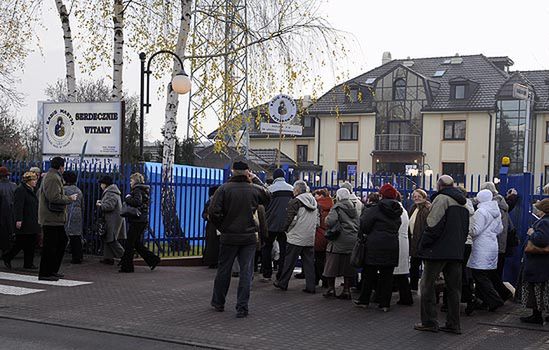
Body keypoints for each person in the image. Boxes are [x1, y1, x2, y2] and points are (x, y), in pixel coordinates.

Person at [209, 161, 270, 318]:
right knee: (246, 271)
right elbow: (268, 196)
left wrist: (223, 227)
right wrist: (256, 179)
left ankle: (218, 302)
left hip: (228, 236)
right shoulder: (254, 190)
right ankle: (242, 307)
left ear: (232, 171)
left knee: (224, 270)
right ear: (248, 172)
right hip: (248, 237)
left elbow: (213, 212)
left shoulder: (223, 189)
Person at [414, 175, 469, 335]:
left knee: (427, 286)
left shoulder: (442, 199)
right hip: (456, 252)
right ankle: (453, 324)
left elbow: (433, 224)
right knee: (454, 289)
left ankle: (430, 322)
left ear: (439, 186)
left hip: (437, 251)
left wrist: (423, 244)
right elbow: (465, 229)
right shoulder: (463, 203)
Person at [354, 183, 402, 312]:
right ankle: (385, 303)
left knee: (369, 274)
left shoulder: (374, 209)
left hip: (374, 245)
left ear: (381, 195)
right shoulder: (398, 210)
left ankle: (364, 300)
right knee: (387, 276)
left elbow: (364, 225)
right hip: (392, 244)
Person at [273, 180, 318, 293]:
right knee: (309, 264)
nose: (293, 191)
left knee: (289, 262)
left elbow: (290, 219)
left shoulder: (295, 202)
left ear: (297, 190)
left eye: (294, 189)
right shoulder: (314, 201)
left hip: (296, 237)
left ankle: (282, 283)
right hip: (309, 237)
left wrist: (285, 230)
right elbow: (317, 221)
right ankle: (311, 286)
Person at [38, 157, 78, 281]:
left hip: (55, 218)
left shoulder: (52, 176)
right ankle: (45, 273)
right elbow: (54, 197)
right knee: (50, 246)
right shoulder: (52, 178)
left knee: (60, 242)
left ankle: (52, 270)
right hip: (51, 217)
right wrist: (69, 199)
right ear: (61, 167)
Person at [467, 189, 504, 312]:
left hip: (481, 246)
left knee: (479, 275)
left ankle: (494, 300)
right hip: (492, 244)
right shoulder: (496, 211)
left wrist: (467, 230)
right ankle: (484, 301)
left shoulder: (481, 212)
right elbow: (500, 229)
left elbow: (475, 230)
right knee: (484, 274)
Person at [119, 172, 160, 273]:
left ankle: (127, 267)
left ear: (135, 181)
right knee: (136, 243)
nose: (130, 182)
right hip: (141, 220)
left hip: (137, 220)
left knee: (129, 243)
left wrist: (128, 198)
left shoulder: (137, 190)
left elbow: (137, 202)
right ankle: (153, 259)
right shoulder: (144, 190)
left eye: (131, 180)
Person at [322, 188, 359, 299]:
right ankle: (346, 290)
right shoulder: (353, 208)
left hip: (338, 239)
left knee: (331, 265)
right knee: (347, 266)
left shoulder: (337, 207)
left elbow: (330, 222)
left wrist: (327, 218)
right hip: (351, 239)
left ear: (338, 197)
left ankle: (331, 289)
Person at [520, 198, 549, 324]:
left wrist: (532, 233)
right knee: (543, 289)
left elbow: (541, 240)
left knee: (537, 288)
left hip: (538, 262)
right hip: (543, 263)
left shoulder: (543, 222)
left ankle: (536, 315)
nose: (536, 210)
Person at [2, 172, 40, 269]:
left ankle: (28, 263)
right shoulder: (21, 190)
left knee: (30, 242)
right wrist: (19, 219)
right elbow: (18, 206)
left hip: (31, 220)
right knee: (21, 242)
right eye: (34, 180)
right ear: (28, 181)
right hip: (25, 220)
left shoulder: (30, 189)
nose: (36, 181)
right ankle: (8, 257)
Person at [262, 168, 293, 282]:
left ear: (274, 177)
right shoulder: (292, 189)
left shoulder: (269, 189)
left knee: (267, 247)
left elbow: (263, 206)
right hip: (286, 224)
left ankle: (267, 273)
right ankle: (281, 274)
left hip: (270, 223)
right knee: (284, 249)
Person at [97, 175, 126, 266]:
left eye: (101, 183)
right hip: (113, 219)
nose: (100, 185)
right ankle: (108, 258)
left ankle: (125, 257)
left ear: (105, 184)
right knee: (107, 238)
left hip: (112, 220)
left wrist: (100, 205)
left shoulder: (110, 192)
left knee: (111, 240)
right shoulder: (112, 191)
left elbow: (109, 206)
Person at [408, 189, 430, 291]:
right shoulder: (413, 208)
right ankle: (413, 286)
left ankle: (426, 287)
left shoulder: (426, 209)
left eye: (419, 196)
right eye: (415, 196)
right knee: (414, 265)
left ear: (424, 197)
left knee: (427, 267)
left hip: (423, 241)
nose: (416, 198)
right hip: (414, 240)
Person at [394, 192, 413, 306]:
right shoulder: (403, 210)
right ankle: (405, 297)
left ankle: (406, 298)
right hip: (402, 242)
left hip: (398, 243)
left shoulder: (397, 210)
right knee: (401, 274)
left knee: (400, 274)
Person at [313, 188, 333, 287]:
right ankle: (326, 281)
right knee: (327, 260)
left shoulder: (316, 205)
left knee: (318, 258)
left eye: (316, 195)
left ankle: (317, 278)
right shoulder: (333, 205)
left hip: (319, 234)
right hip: (329, 235)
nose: (315, 196)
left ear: (321, 195)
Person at [63, 171, 84, 264]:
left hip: (67, 212)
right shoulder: (78, 190)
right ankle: (78, 256)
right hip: (77, 213)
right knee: (76, 236)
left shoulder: (64, 190)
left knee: (64, 234)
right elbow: (82, 204)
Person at [0, 166, 17, 255]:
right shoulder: (14, 186)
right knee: (11, 231)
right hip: (12, 211)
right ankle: (9, 250)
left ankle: (4, 249)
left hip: (2, 212)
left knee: (2, 232)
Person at [203, 186, 220, 268]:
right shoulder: (210, 202)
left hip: (213, 226)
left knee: (213, 244)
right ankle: (213, 261)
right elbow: (204, 214)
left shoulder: (209, 202)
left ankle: (212, 261)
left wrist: (207, 216)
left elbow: (204, 214)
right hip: (214, 226)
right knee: (213, 244)